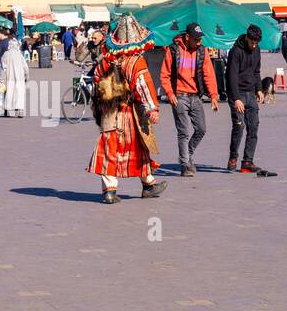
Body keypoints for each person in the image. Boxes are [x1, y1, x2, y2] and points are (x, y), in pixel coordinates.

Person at [88, 15, 166, 203]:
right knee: (139, 147)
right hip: (129, 113)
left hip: (109, 113)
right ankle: (148, 184)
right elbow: (143, 86)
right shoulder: (135, 62)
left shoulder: (105, 60)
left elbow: (96, 81)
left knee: (109, 150)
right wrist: (152, 109)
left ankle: (110, 191)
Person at [160, 23, 220, 176]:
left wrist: (213, 95)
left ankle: (188, 154)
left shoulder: (202, 51)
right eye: (196, 39)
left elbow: (209, 74)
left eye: (200, 39)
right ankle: (186, 164)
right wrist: (170, 93)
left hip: (195, 96)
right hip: (179, 96)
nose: (199, 42)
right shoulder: (173, 50)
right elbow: (165, 74)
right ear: (187, 37)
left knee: (201, 129)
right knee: (184, 131)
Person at [226, 23, 273, 175]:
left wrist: (259, 89)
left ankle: (247, 161)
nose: (254, 46)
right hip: (238, 93)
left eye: (256, 43)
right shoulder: (236, 51)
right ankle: (233, 157)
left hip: (251, 93)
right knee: (239, 126)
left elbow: (256, 71)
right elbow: (231, 76)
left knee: (253, 127)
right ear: (246, 37)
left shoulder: (257, 50)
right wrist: (236, 98)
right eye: (252, 42)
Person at [0, 37, 29, 118]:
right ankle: (20, 111)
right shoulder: (19, 54)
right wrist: (27, 76)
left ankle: (7, 110)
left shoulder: (6, 54)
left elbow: (3, 68)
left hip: (9, 77)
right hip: (20, 77)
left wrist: (2, 79)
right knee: (19, 93)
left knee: (8, 92)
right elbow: (25, 67)